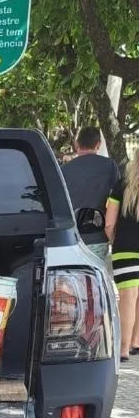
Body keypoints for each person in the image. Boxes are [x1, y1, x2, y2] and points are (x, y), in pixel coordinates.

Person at [61, 126, 121, 238]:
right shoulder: (109, 166)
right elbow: (116, 201)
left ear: (77, 144)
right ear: (98, 144)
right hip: (97, 233)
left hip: (69, 236)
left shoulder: (64, 169)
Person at [108, 151, 139, 361]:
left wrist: (112, 241)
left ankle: (123, 349)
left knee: (127, 297)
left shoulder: (121, 184)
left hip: (126, 248)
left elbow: (109, 222)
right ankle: (136, 341)